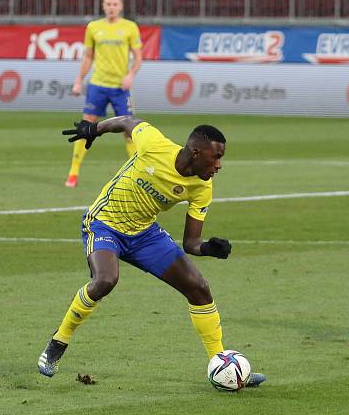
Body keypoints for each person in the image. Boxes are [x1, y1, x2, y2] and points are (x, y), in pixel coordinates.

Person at [39, 115, 266, 387]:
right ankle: (59, 341)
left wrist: (209, 248)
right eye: (215, 157)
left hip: (145, 235)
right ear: (195, 152)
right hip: (104, 225)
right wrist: (95, 129)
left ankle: (225, 366)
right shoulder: (154, 144)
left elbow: (191, 243)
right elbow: (127, 121)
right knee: (105, 280)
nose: (219, 165)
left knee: (199, 288)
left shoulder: (202, 187)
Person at [66, 0, 143, 188]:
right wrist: (78, 80)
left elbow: (138, 57)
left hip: (120, 88)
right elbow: (88, 57)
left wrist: (130, 75)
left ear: (121, 7)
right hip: (98, 85)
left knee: (129, 130)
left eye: (114, 4)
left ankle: (137, 173)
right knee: (86, 127)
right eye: (108, 4)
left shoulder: (130, 27)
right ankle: (73, 172)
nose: (111, 8)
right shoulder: (93, 27)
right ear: (103, 6)